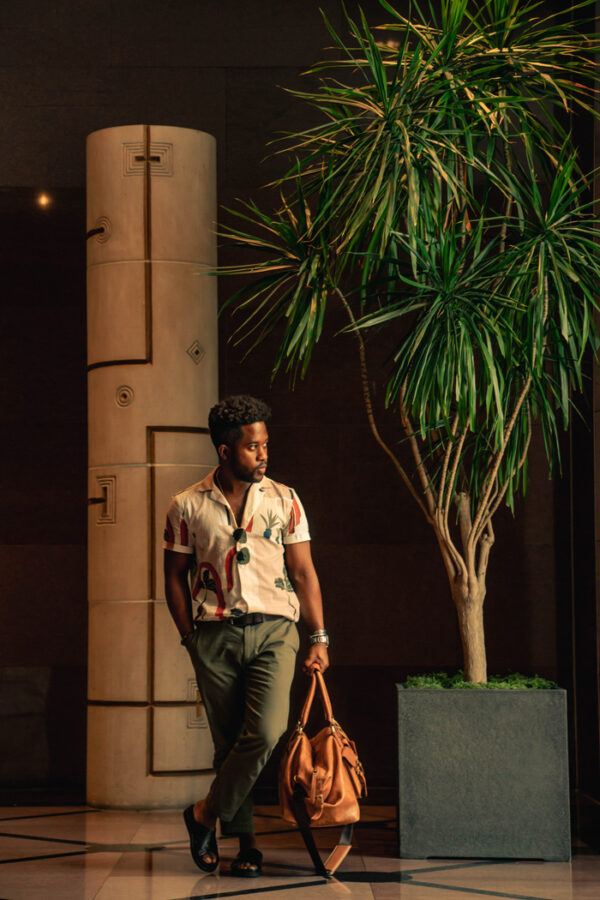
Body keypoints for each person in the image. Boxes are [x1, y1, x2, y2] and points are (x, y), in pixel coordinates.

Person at [163, 394, 329, 878]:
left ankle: (203, 815)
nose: (263, 454)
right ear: (225, 450)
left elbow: (305, 574)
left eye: (265, 445)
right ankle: (248, 847)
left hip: (277, 631)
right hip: (213, 634)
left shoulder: (285, 498)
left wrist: (318, 636)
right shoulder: (187, 505)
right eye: (253, 447)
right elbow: (173, 574)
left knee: (264, 732)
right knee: (229, 743)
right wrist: (189, 636)